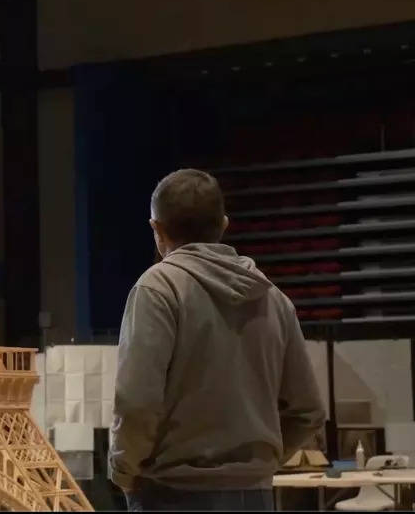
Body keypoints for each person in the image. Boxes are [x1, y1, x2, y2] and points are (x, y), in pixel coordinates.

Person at [109, 168, 326, 511]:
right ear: (224, 225)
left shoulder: (158, 289)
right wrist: (256, 464)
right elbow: (309, 411)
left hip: (172, 495)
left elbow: (137, 403)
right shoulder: (275, 299)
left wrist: (123, 471)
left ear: (157, 229)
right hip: (256, 497)